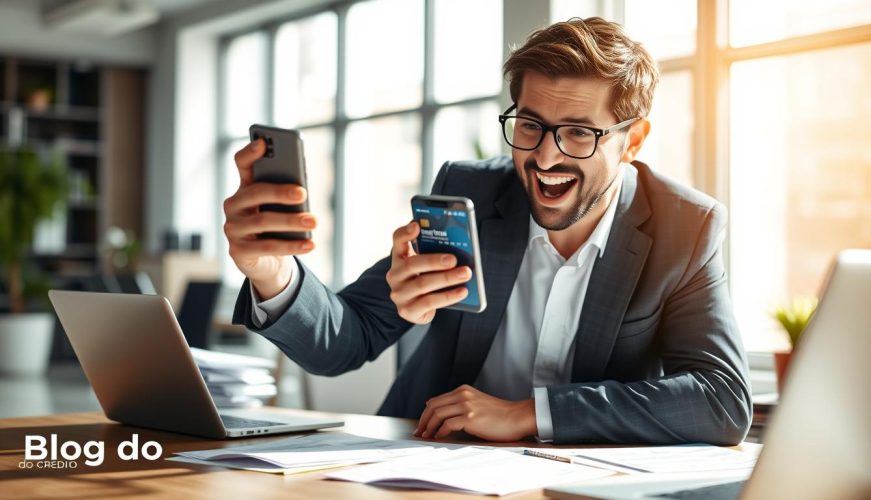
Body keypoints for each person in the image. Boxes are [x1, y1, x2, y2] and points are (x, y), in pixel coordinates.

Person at [223, 17, 752, 445]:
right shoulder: (471, 194)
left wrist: (530, 414)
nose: (546, 157)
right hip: (424, 462)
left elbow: (721, 399)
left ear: (632, 140)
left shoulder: (686, 227)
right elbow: (345, 340)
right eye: (530, 125)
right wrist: (273, 273)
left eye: (577, 133)